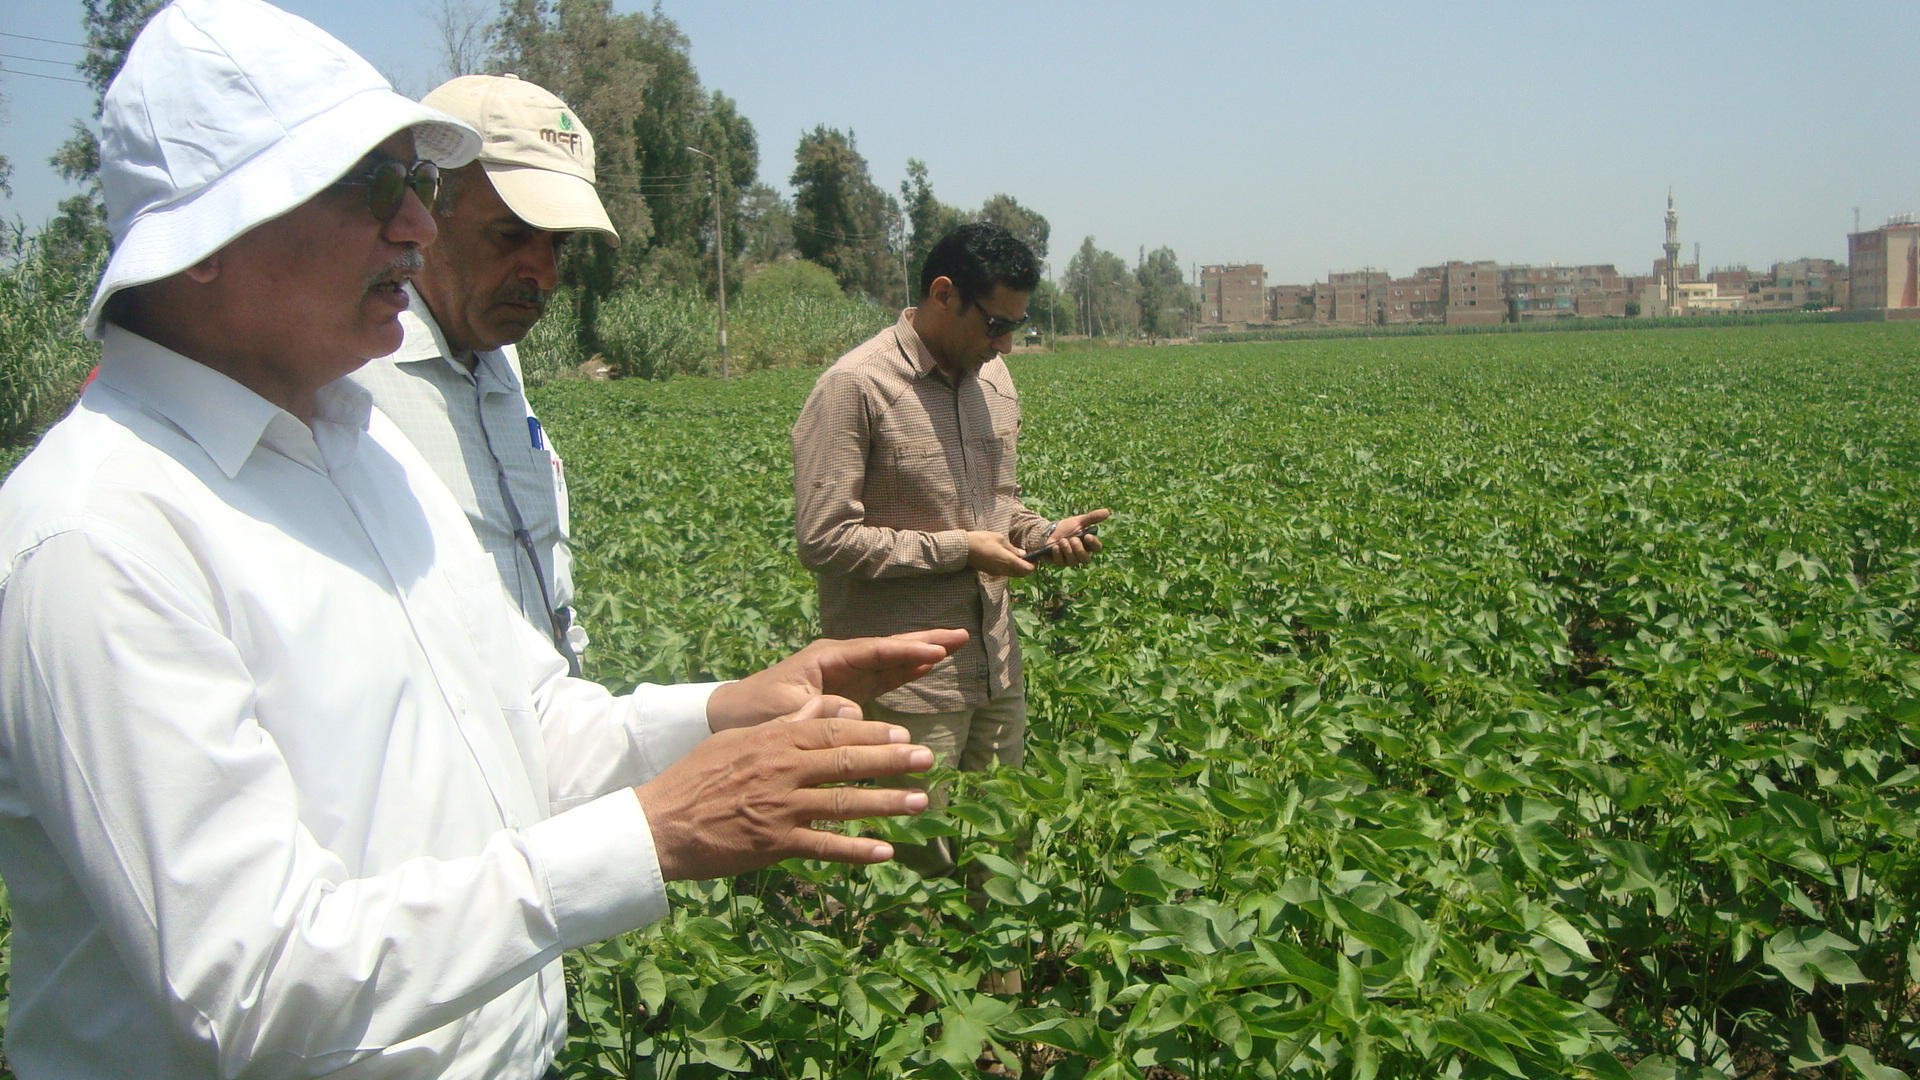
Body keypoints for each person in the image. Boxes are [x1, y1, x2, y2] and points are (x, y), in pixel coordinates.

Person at [0, 2, 962, 1076]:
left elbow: (527, 723)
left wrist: (722, 710)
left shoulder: (363, 453)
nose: (414, 223)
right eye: (374, 185)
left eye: (416, 185)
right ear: (209, 233)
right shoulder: (104, 536)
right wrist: (651, 834)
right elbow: (253, 984)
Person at [791, 222, 1110, 878]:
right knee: (914, 874)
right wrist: (960, 550)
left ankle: (997, 986)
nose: (1005, 344)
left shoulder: (994, 384)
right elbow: (824, 539)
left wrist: (1044, 536)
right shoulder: (855, 387)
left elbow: (1000, 508)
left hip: (996, 666)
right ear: (943, 294)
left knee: (1000, 864)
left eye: (1015, 326)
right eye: (995, 324)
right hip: (909, 681)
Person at [350, 73, 605, 672]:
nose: (543, 271)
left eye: (559, 243)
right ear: (426, 211)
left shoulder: (498, 358)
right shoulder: (350, 378)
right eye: (511, 235)